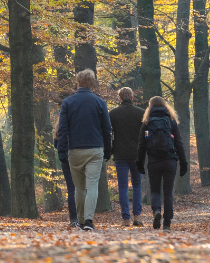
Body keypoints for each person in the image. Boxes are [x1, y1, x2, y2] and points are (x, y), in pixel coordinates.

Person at [54, 69, 112, 231]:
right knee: (92, 185)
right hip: (95, 149)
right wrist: (108, 150)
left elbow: (63, 129)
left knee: (79, 188)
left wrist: (62, 150)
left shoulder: (68, 102)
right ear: (92, 83)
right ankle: (88, 220)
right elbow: (107, 129)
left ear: (77, 82)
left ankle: (79, 220)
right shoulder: (100, 102)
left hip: (75, 150)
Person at [136, 96, 188, 230]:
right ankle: (167, 224)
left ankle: (157, 211)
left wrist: (140, 163)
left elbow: (142, 144)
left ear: (150, 107)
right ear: (165, 106)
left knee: (155, 191)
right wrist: (183, 162)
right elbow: (179, 143)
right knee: (168, 193)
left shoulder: (147, 122)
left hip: (153, 161)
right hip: (170, 161)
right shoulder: (171, 121)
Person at [108, 87, 145, 226]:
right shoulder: (141, 113)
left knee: (122, 186)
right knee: (137, 184)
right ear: (132, 97)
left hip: (120, 154)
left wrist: (110, 149)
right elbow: (146, 133)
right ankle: (137, 217)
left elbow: (109, 133)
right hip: (137, 154)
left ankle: (125, 219)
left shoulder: (113, 114)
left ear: (120, 98)